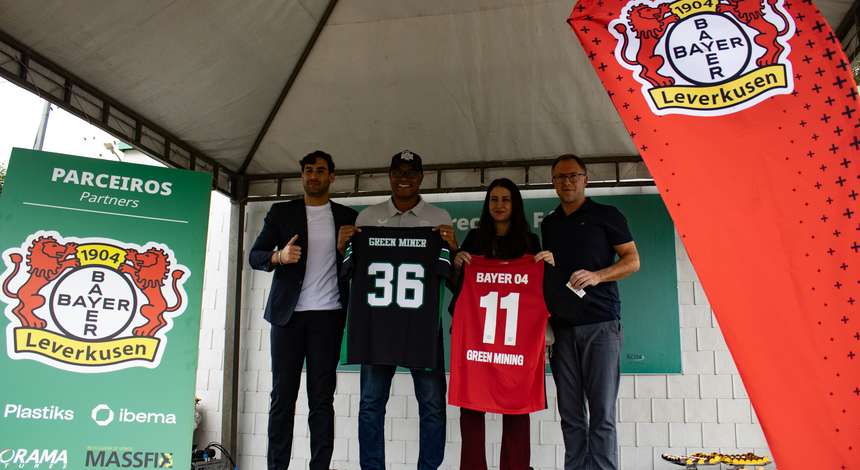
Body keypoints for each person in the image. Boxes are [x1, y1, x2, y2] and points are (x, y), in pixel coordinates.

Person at [340, 150, 457, 470]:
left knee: (432, 404)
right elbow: (348, 270)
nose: (404, 178)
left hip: (422, 329)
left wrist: (452, 247)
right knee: (370, 404)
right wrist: (344, 246)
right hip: (377, 329)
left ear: (421, 177)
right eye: (398, 172)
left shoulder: (439, 218)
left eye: (411, 172)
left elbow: (451, 275)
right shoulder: (366, 219)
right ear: (390, 175)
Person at [248, 150, 358, 470]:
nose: (313, 176)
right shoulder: (282, 212)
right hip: (288, 319)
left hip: (328, 317)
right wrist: (279, 257)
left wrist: (344, 249)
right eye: (308, 170)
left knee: (321, 400)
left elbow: (359, 266)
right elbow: (255, 255)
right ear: (302, 175)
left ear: (332, 176)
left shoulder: (348, 217)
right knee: (282, 398)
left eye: (320, 170)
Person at [540, 154, 640, 470]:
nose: (567, 182)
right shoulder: (549, 223)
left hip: (601, 325)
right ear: (553, 183)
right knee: (570, 415)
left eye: (573, 175)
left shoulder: (607, 215)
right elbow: (552, 278)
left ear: (586, 179)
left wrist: (598, 275)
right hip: (562, 330)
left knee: (602, 414)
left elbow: (632, 261)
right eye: (560, 177)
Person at [450, 177, 554, 470]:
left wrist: (548, 263)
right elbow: (458, 286)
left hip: (516, 340)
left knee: (517, 404)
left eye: (505, 199)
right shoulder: (474, 239)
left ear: (515, 204)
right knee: (471, 404)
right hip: (477, 337)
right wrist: (457, 264)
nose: (499, 205)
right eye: (494, 199)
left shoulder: (529, 242)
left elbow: (541, 289)